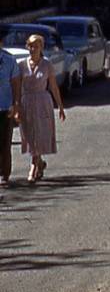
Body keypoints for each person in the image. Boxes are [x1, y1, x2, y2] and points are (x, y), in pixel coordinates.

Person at [17, 34, 65, 184]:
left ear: (41, 48)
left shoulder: (47, 65)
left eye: (36, 46)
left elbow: (53, 86)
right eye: (30, 46)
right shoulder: (21, 65)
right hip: (27, 102)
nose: (33, 49)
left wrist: (60, 106)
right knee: (30, 135)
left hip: (43, 102)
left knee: (40, 134)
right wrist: (16, 105)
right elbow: (17, 87)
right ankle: (40, 163)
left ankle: (33, 167)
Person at [0, 46, 17, 187]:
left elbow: (16, 83)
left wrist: (15, 104)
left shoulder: (9, 60)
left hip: (5, 107)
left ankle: (4, 174)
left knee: (5, 143)